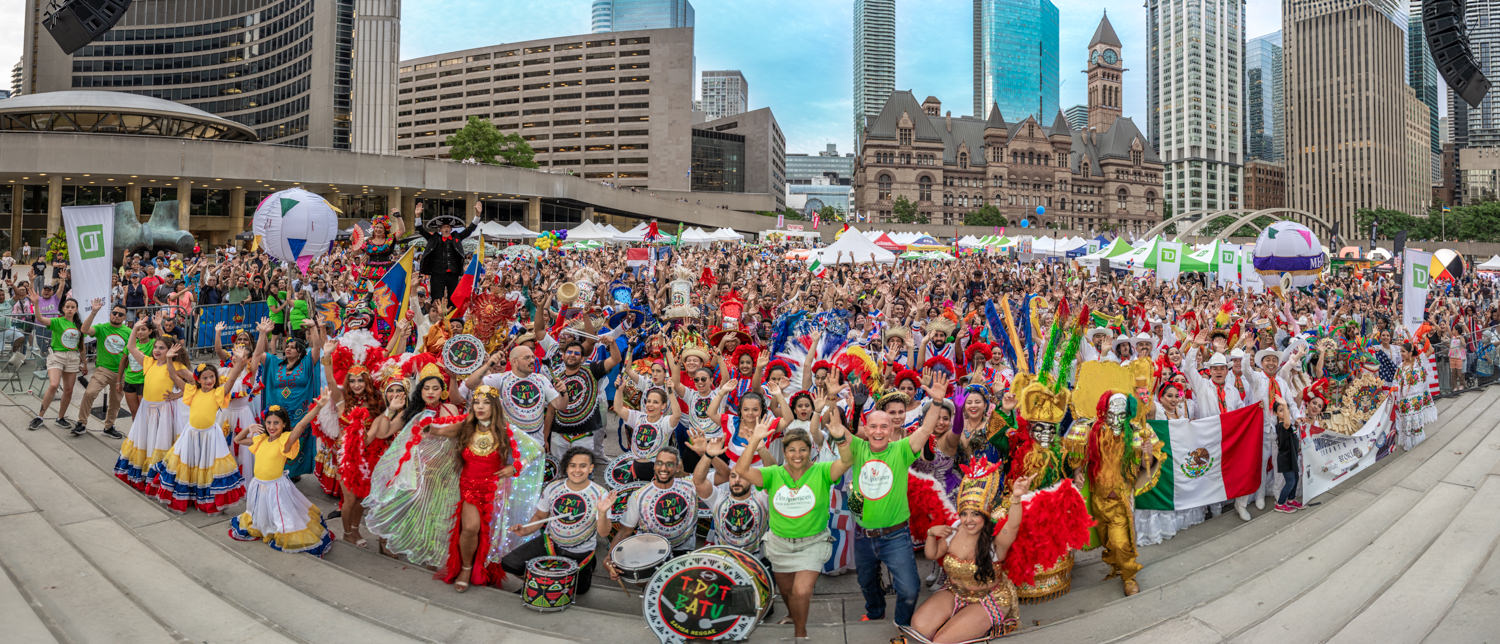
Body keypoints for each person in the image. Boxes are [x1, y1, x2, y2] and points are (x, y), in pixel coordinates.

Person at [730, 400, 855, 639]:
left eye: (802, 450)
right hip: (779, 544)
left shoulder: (821, 471)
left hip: (813, 543)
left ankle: (800, 633)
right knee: (787, 592)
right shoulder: (774, 473)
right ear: (784, 452)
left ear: (810, 451)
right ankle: (792, 615)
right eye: (791, 450)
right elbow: (742, 470)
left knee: (801, 590)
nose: (797, 455)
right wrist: (755, 440)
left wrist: (840, 439)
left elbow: (846, 462)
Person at [907, 468, 1034, 643]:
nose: (969, 520)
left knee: (941, 640)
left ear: (985, 515)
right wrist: (930, 533)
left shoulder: (995, 541)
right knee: (919, 627)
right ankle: (960, 621)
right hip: (954, 592)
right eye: (965, 513)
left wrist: (1017, 498)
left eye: (976, 514)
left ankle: (977, 623)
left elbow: (1012, 525)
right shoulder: (953, 531)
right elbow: (931, 554)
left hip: (988, 598)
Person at [847, 404, 943, 627]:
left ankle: (901, 624)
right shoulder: (858, 448)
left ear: (891, 430)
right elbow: (837, 429)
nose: (878, 431)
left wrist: (937, 402)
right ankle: (875, 612)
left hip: (895, 536)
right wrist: (834, 399)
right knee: (866, 582)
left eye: (883, 426)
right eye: (873, 427)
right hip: (863, 535)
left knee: (909, 590)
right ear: (866, 430)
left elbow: (926, 428)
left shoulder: (901, 450)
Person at [228, 403, 336, 557]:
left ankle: (280, 529)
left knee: (282, 516)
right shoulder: (261, 439)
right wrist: (249, 428)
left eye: (276, 423)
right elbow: (238, 440)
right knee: (262, 513)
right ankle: (266, 526)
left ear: (284, 424)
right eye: (269, 422)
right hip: (258, 486)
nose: (272, 426)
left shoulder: (284, 441)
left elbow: (301, 425)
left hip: (276, 488)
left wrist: (317, 408)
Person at [502, 446, 607, 596]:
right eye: (573, 465)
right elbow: (540, 516)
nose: (577, 470)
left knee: (580, 590)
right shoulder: (553, 487)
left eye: (583, 466)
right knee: (510, 564)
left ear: (591, 468)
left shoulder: (601, 493)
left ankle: (587, 564)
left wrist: (602, 513)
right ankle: (537, 581)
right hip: (550, 543)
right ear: (566, 467)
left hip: (580, 552)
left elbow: (603, 533)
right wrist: (525, 529)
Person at [150, 356, 250, 513]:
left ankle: (207, 500)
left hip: (210, 436)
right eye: (205, 377)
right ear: (198, 380)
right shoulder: (191, 391)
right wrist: (169, 359)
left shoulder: (218, 393)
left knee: (207, 466)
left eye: (211, 377)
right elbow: (173, 375)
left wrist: (239, 364)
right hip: (191, 435)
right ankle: (188, 496)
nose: (209, 380)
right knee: (189, 464)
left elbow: (231, 380)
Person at [113, 314, 191, 491]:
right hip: (146, 410)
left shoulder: (177, 367)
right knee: (146, 440)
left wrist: (178, 395)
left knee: (160, 441)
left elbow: (194, 383)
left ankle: (158, 474)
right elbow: (131, 347)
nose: (156, 350)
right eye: (156, 347)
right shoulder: (148, 362)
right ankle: (143, 472)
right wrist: (134, 328)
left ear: (170, 351)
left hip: (164, 411)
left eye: (161, 348)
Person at [604, 447, 699, 576]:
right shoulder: (639, 496)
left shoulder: (691, 484)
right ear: (654, 466)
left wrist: (709, 455)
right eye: (659, 463)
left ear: (678, 467)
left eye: (669, 464)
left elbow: (721, 476)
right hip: (650, 551)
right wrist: (609, 557)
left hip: (683, 549)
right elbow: (625, 531)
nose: (663, 468)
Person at [463, 346, 562, 446]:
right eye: (527, 358)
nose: (532, 360)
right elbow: (470, 384)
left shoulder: (541, 379)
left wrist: (564, 393)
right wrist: (488, 365)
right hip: (510, 446)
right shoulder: (501, 379)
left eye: (533, 357)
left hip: (536, 446)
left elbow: (560, 406)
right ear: (514, 361)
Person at [549, 334, 622, 460]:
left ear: (583, 359)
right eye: (569, 352)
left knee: (582, 471)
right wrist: (545, 438)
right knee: (559, 473)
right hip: (559, 434)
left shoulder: (592, 370)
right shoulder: (555, 378)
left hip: (584, 434)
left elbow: (615, 359)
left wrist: (612, 343)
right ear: (563, 356)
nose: (572, 355)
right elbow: (551, 410)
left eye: (576, 353)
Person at [26, 289, 83, 431]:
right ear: (63, 309)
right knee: (53, 384)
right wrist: (37, 304)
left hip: (73, 357)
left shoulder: (78, 326)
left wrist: (84, 362)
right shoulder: (57, 321)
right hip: (57, 356)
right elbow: (40, 318)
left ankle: (60, 417)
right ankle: (40, 416)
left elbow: (81, 345)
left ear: (76, 310)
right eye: (67, 307)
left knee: (69, 390)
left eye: (72, 307)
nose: (70, 309)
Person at [73, 299, 130, 438]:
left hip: (121, 372)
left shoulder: (129, 332)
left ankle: (109, 426)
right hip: (103, 369)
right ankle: (81, 423)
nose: (116, 316)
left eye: (120, 314)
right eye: (114, 313)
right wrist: (93, 312)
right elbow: (84, 330)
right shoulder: (102, 328)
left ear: (124, 318)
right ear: (111, 314)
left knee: (115, 401)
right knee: (89, 393)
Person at [416, 201, 480, 300]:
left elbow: (469, 229)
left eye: (448, 227)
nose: (446, 229)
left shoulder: (456, 237)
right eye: (444, 227)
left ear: (451, 229)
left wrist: (477, 215)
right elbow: (421, 229)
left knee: (453, 298)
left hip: (453, 274)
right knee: (437, 298)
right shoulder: (434, 238)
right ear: (440, 230)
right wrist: (418, 216)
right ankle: (437, 314)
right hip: (437, 274)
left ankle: (453, 315)